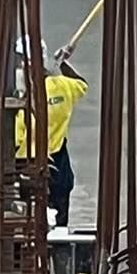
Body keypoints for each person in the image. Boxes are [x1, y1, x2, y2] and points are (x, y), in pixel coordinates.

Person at [15, 40, 89, 228]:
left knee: (25, 221)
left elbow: (15, 138)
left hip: (24, 166)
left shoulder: (15, 100)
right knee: (58, 221)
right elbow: (82, 84)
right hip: (56, 162)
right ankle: (56, 250)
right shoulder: (63, 86)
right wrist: (62, 63)